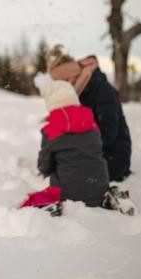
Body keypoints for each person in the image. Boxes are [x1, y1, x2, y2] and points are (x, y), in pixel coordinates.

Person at [20, 77, 109, 213]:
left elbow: (44, 165)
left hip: (68, 194)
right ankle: (109, 197)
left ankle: (51, 206)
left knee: (29, 203)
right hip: (99, 187)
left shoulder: (50, 130)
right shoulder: (93, 124)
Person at [46, 45, 132, 182]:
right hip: (91, 154)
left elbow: (108, 135)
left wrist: (75, 147)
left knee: (70, 176)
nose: (64, 87)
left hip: (113, 158)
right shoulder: (75, 93)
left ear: (73, 75)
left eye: (65, 81)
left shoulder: (103, 91)